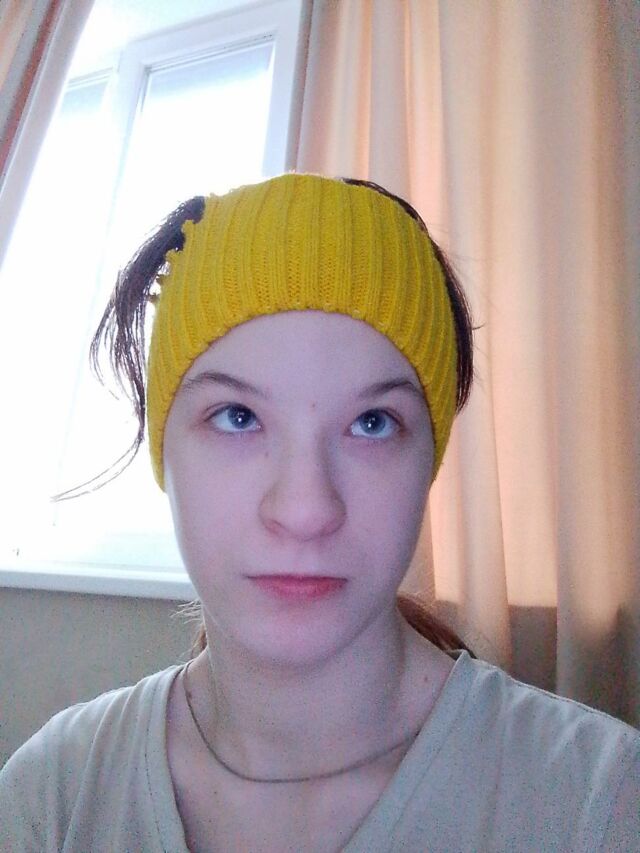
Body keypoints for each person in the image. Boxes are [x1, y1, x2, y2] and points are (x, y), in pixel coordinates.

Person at [0, 173, 637, 852]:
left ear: (430, 457)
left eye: (372, 422)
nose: (305, 510)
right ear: (163, 450)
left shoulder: (599, 804)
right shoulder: (51, 797)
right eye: (237, 416)